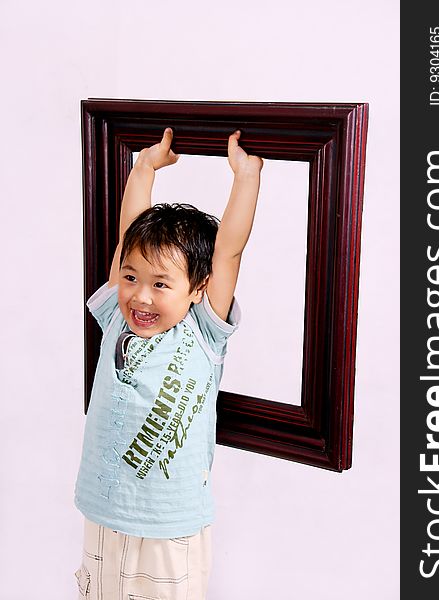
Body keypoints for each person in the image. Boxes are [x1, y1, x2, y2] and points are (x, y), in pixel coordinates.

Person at [74, 127, 263, 600]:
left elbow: (229, 250)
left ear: (198, 288)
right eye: (131, 277)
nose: (140, 294)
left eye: (161, 284)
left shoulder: (202, 330)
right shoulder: (118, 316)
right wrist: (144, 167)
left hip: (170, 524)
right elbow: (129, 232)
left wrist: (246, 177)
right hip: (104, 515)